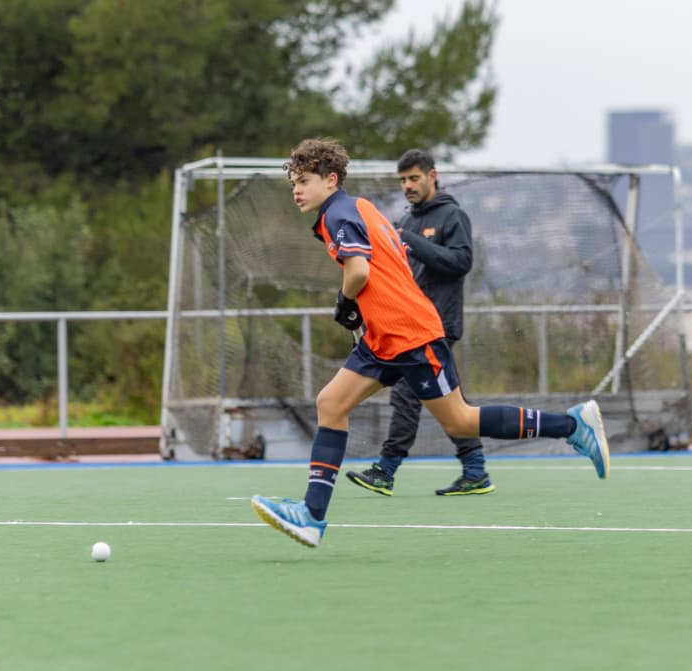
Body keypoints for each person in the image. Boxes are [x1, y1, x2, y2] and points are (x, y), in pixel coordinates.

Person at [251, 137, 610, 548]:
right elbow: (391, 262)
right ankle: (312, 516)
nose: (296, 190)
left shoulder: (339, 215)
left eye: (304, 181)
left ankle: (573, 425)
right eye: (293, 182)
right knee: (330, 404)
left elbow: (359, 272)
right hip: (384, 336)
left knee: (459, 420)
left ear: (331, 180)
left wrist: (347, 301)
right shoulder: (361, 207)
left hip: (409, 334)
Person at [345, 149, 493, 497]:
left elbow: (461, 262)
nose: (408, 186)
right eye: (402, 180)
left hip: (436, 327)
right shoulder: (408, 221)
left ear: (432, 176)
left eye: (414, 178)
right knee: (452, 404)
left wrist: (410, 241)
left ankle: (386, 469)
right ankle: (475, 470)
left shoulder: (451, 216)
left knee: (407, 397)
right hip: (408, 327)